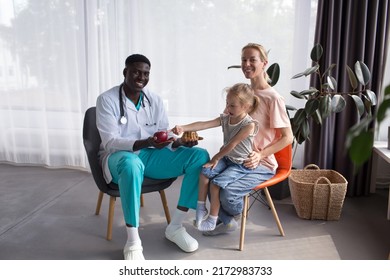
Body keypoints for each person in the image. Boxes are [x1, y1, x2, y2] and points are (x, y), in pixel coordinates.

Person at [95, 54, 210, 260]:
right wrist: (147, 142)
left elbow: (163, 133)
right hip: (119, 158)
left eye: (146, 73)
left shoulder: (154, 100)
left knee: (199, 156)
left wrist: (179, 142)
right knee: (131, 165)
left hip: (150, 157)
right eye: (136, 72)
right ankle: (133, 241)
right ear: (125, 72)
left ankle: (175, 227)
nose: (141, 77)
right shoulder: (107, 100)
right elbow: (110, 142)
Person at [203, 43, 294, 236]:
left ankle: (231, 217)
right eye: (244, 59)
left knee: (226, 192)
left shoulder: (273, 98)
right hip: (235, 159)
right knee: (207, 175)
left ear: (264, 63)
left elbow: (288, 138)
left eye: (252, 59)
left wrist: (260, 154)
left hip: (260, 164)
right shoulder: (244, 94)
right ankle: (226, 222)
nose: (247, 64)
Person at [171, 83, 260, 232]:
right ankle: (201, 209)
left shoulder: (249, 125)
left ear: (246, 106)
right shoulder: (226, 118)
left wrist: (215, 158)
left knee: (215, 184)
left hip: (240, 164)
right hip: (227, 159)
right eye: (227, 104)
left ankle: (213, 219)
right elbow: (205, 124)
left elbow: (232, 144)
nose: (227, 108)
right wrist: (183, 127)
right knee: (204, 173)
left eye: (232, 106)